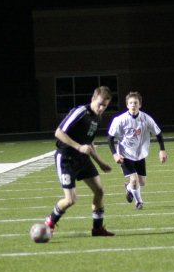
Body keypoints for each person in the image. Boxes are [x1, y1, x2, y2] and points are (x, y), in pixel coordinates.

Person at [43, 86, 115, 237]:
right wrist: (78, 146)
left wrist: (100, 163)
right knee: (70, 200)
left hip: (82, 159)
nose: (101, 108)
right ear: (93, 99)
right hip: (66, 159)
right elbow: (59, 133)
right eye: (100, 104)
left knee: (99, 191)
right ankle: (50, 221)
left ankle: (97, 228)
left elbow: (89, 144)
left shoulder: (96, 118)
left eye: (105, 106)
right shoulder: (80, 111)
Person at [107, 91, 167, 210]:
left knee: (141, 182)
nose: (133, 105)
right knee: (134, 180)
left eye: (135, 102)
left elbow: (158, 133)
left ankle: (129, 187)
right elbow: (110, 138)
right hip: (125, 155)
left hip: (140, 155)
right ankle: (139, 202)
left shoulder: (146, 119)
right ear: (127, 105)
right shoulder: (120, 120)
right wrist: (115, 154)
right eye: (131, 103)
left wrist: (162, 150)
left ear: (140, 105)